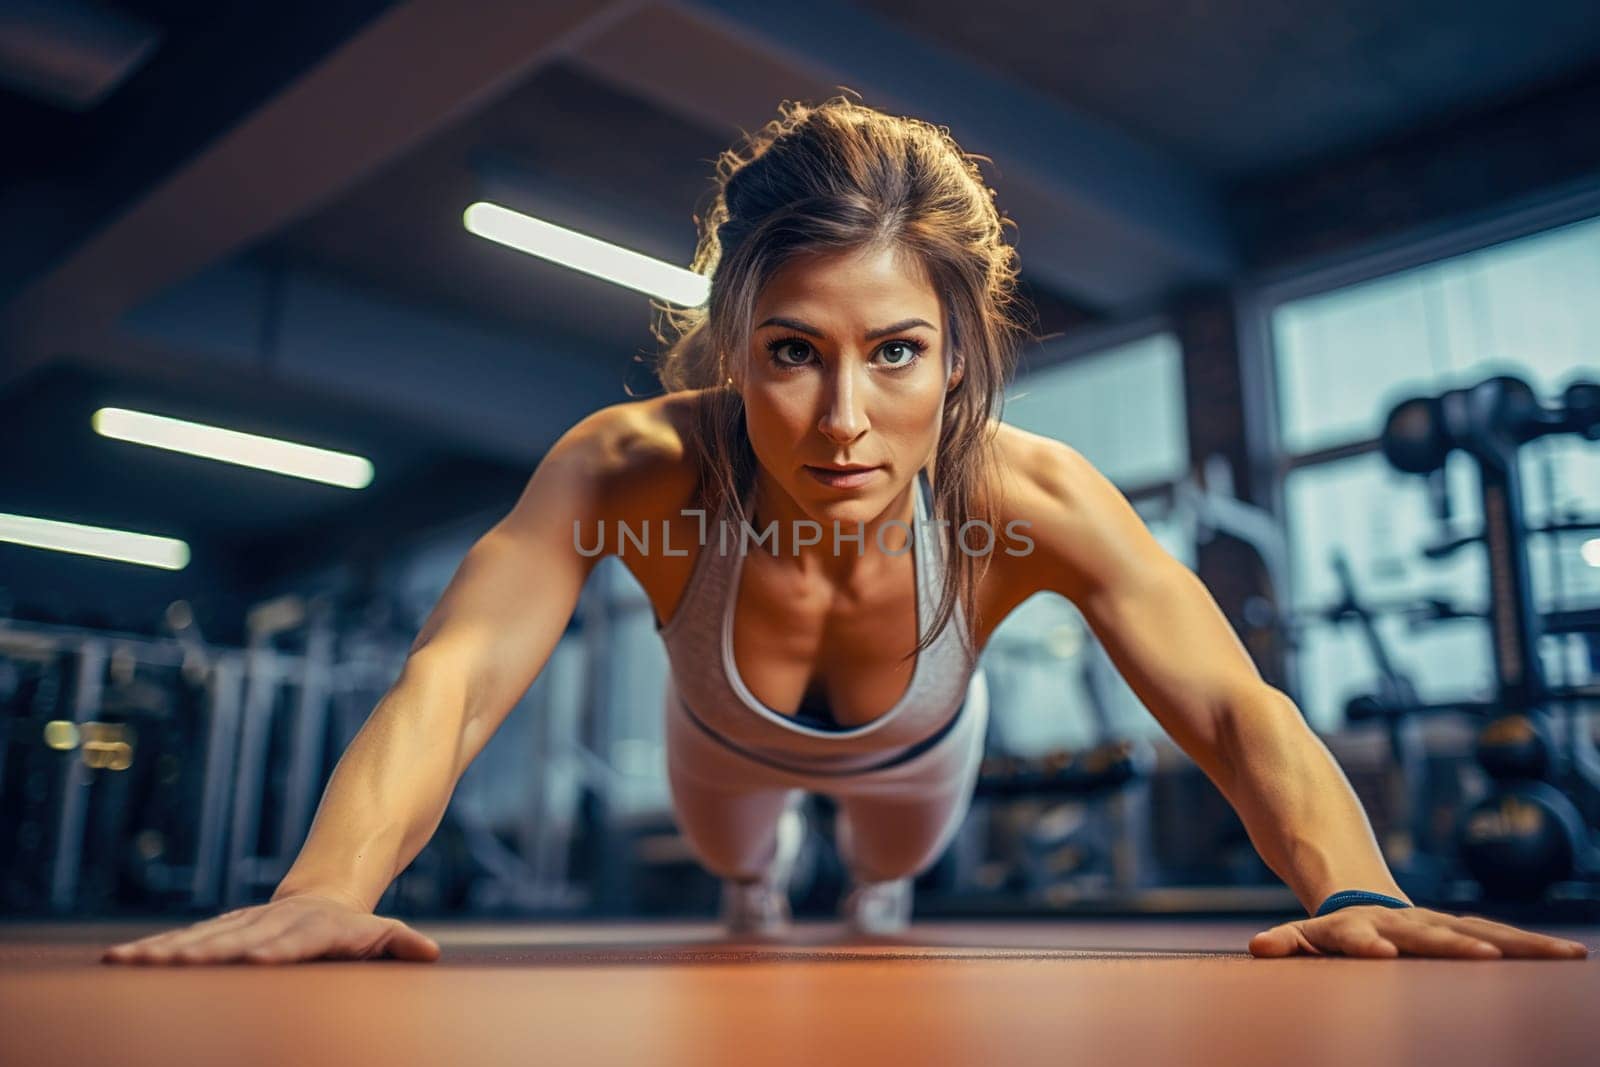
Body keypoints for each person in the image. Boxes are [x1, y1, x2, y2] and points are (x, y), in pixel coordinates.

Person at [104, 95, 1587, 965]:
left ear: (958, 354)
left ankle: (868, 883)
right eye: (793, 352)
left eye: (893, 353)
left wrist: (1353, 887)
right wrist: (322, 893)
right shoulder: (630, 470)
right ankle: (763, 880)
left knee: (885, 889)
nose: (840, 422)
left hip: (918, 760)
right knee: (744, 882)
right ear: (734, 341)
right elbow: (454, 684)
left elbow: (1228, 703)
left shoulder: (1033, 495)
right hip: (721, 757)